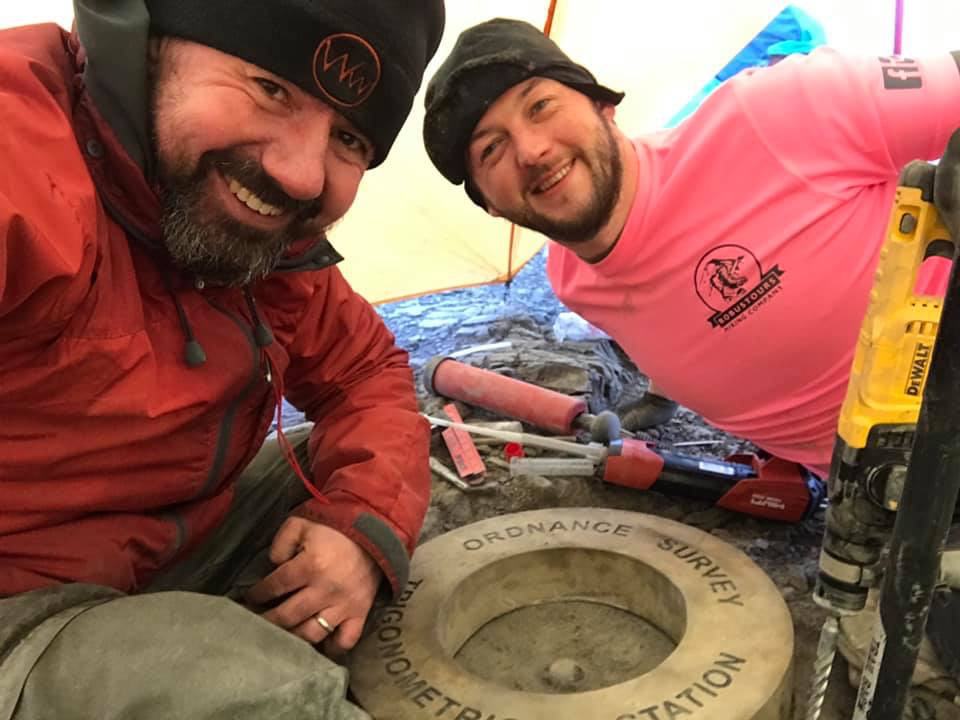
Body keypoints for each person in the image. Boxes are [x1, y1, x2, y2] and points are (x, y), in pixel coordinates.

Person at [421, 16, 960, 702]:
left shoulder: (780, 112)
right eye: (490, 150)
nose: (530, 149)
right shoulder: (573, 280)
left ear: (603, 105)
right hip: (890, 502)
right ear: (490, 205)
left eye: (541, 106)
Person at [0, 0, 444, 717]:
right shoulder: (23, 157)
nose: (300, 176)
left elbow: (367, 375)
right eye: (272, 88)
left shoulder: (268, 248)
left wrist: (360, 525)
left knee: (406, 492)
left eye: (349, 138)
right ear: (153, 41)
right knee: (256, 695)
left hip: (180, 544)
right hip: (18, 603)